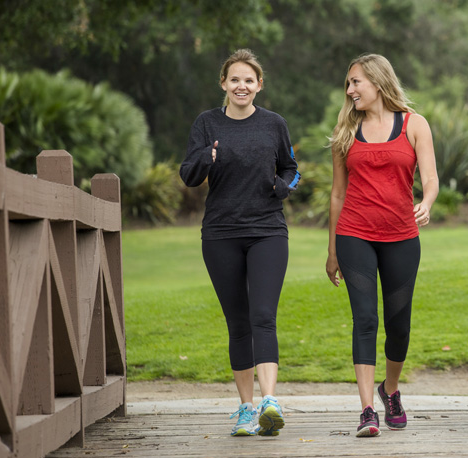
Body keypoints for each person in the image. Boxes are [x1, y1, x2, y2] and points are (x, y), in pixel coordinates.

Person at [179, 48, 300, 437]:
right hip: (220, 234)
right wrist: (207, 158)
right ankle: (246, 409)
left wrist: (282, 187)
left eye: (249, 80)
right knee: (238, 322)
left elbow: (291, 168)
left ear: (259, 85)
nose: (241, 85)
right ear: (224, 84)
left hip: (267, 230)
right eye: (234, 79)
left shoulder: (274, 124)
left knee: (263, 315)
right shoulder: (206, 123)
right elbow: (188, 175)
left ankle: (269, 402)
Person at [325, 54, 439, 438]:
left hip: (402, 236)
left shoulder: (413, 124)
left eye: (356, 82)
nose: (350, 90)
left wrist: (426, 202)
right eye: (348, 83)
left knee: (398, 324)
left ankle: (390, 391)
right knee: (365, 319)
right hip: (354, 233)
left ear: (377, 82)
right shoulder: (345, 127)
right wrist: (331, 251)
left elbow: (431, 177)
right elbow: (337, 194)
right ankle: (367, 410)